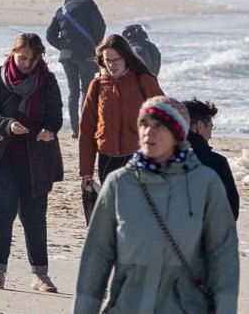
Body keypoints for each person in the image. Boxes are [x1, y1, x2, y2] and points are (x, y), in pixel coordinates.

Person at [74, 96, 240, 313]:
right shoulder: (120, 183)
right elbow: (96, 258)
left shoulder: (206, 182)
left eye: (159, 126)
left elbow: (223, 257)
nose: (149, 132)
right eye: (144, 124)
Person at [0, 32, 64, 294]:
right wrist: (8, 125)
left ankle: (40, 276)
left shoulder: (47, 80)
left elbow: (56, 115)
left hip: (36, 158)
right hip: (1, 157)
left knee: (35, 217)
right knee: (1, 214)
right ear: (13, 53)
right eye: (22, 57)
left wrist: (49, 129)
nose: (26, 63)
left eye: (32, 59)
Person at [79, 34, 164, 191]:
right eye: (108, 60)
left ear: (126, 58)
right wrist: (86, 172)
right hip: (107, 160)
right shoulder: (97, 85)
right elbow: (86, 129)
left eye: (116, 60)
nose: (112, 65)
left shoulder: (144, 82)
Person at [46, 0, 105, 138]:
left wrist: (63, 48)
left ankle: (75, 129)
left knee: (73, 91)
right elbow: (101, 26)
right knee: (87, 90)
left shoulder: (62, 10)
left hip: (67, 57)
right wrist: (95, 42)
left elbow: (49, 35)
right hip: (86, 55)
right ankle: (85, 127)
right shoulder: (89, 5)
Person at [183, 98, 240, 220]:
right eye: (210, 127)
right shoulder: (216, 163)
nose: (211, 135)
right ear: (200, 126)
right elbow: (230, 212)